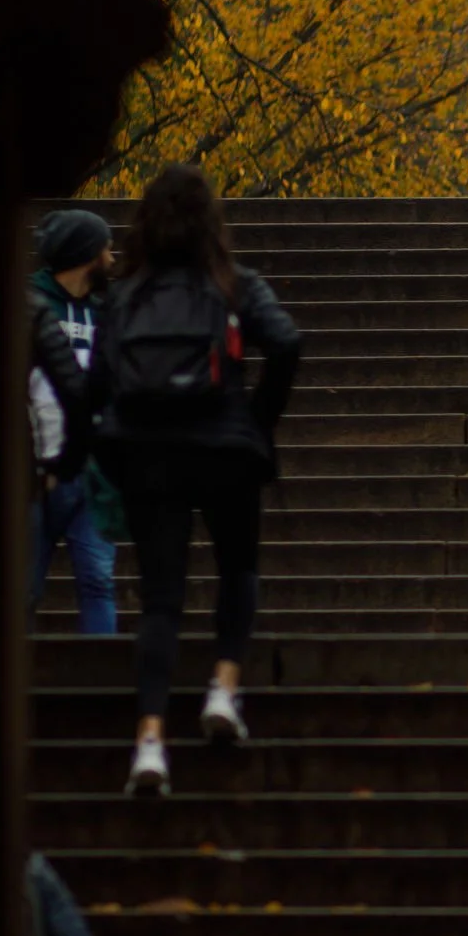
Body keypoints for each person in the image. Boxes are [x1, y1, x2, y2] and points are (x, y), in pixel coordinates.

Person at [90, 164, 301, 797]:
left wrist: (105, 444)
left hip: (149, 454)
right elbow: (286, 343)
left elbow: (97, 382)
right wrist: (256, 420)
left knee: (160, 600)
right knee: (238, 568)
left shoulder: (125, 295)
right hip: (225, 448)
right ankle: (223, 687)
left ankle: (150, 742)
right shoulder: (233, 285)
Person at [27, 207, 121, 635]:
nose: (112, 259)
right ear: (87, 254)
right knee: (23, 588)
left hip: (91, 470)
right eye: (106, 249)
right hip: (35, 471)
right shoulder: (30, 304)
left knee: (98, 582)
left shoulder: (104, 312)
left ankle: (103, 668)